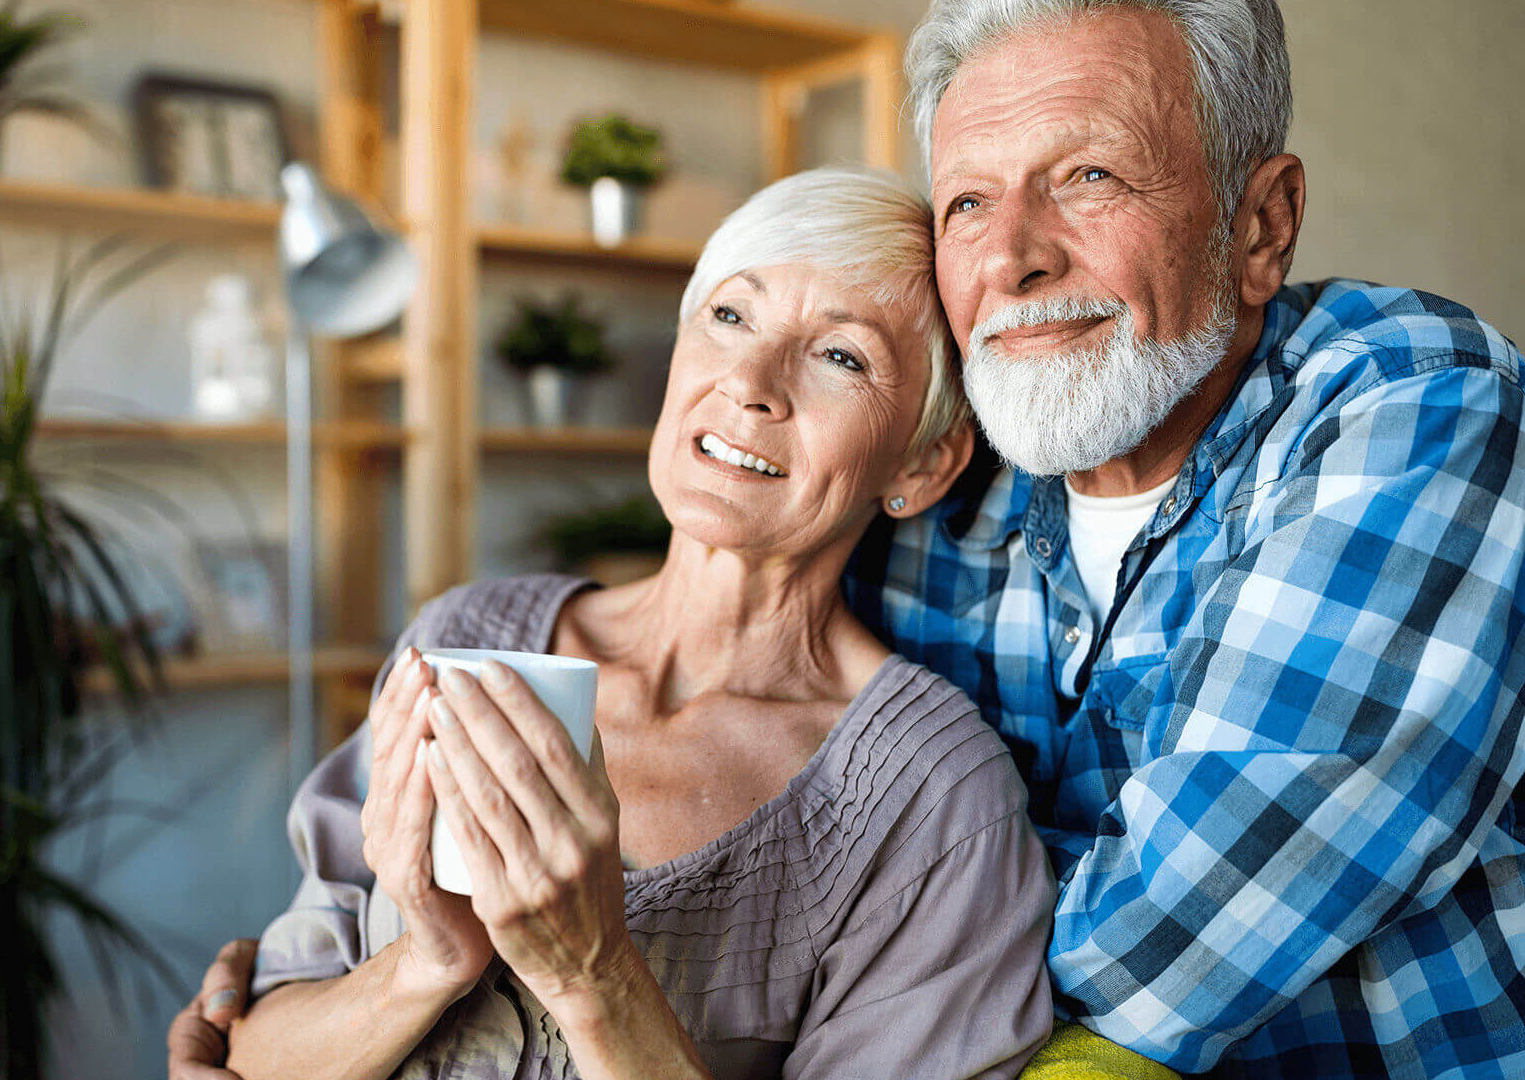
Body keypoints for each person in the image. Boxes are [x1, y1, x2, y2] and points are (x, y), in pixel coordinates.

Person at [173, 167, 1056, 1080]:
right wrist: (424, 965)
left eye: (841, 357)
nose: (748, 382)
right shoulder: (467, 637)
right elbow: (248, 1056)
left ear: (922, 463)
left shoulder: (935, 798)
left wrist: (593, 973)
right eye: (730, 315)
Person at [840, 1, 1525, 1077]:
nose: (1011, 258)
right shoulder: (929, 473)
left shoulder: (1419, 400)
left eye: (1090, 177)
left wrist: (860, 953)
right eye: (967, 201)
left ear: (1261, 227)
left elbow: (1182, 935)